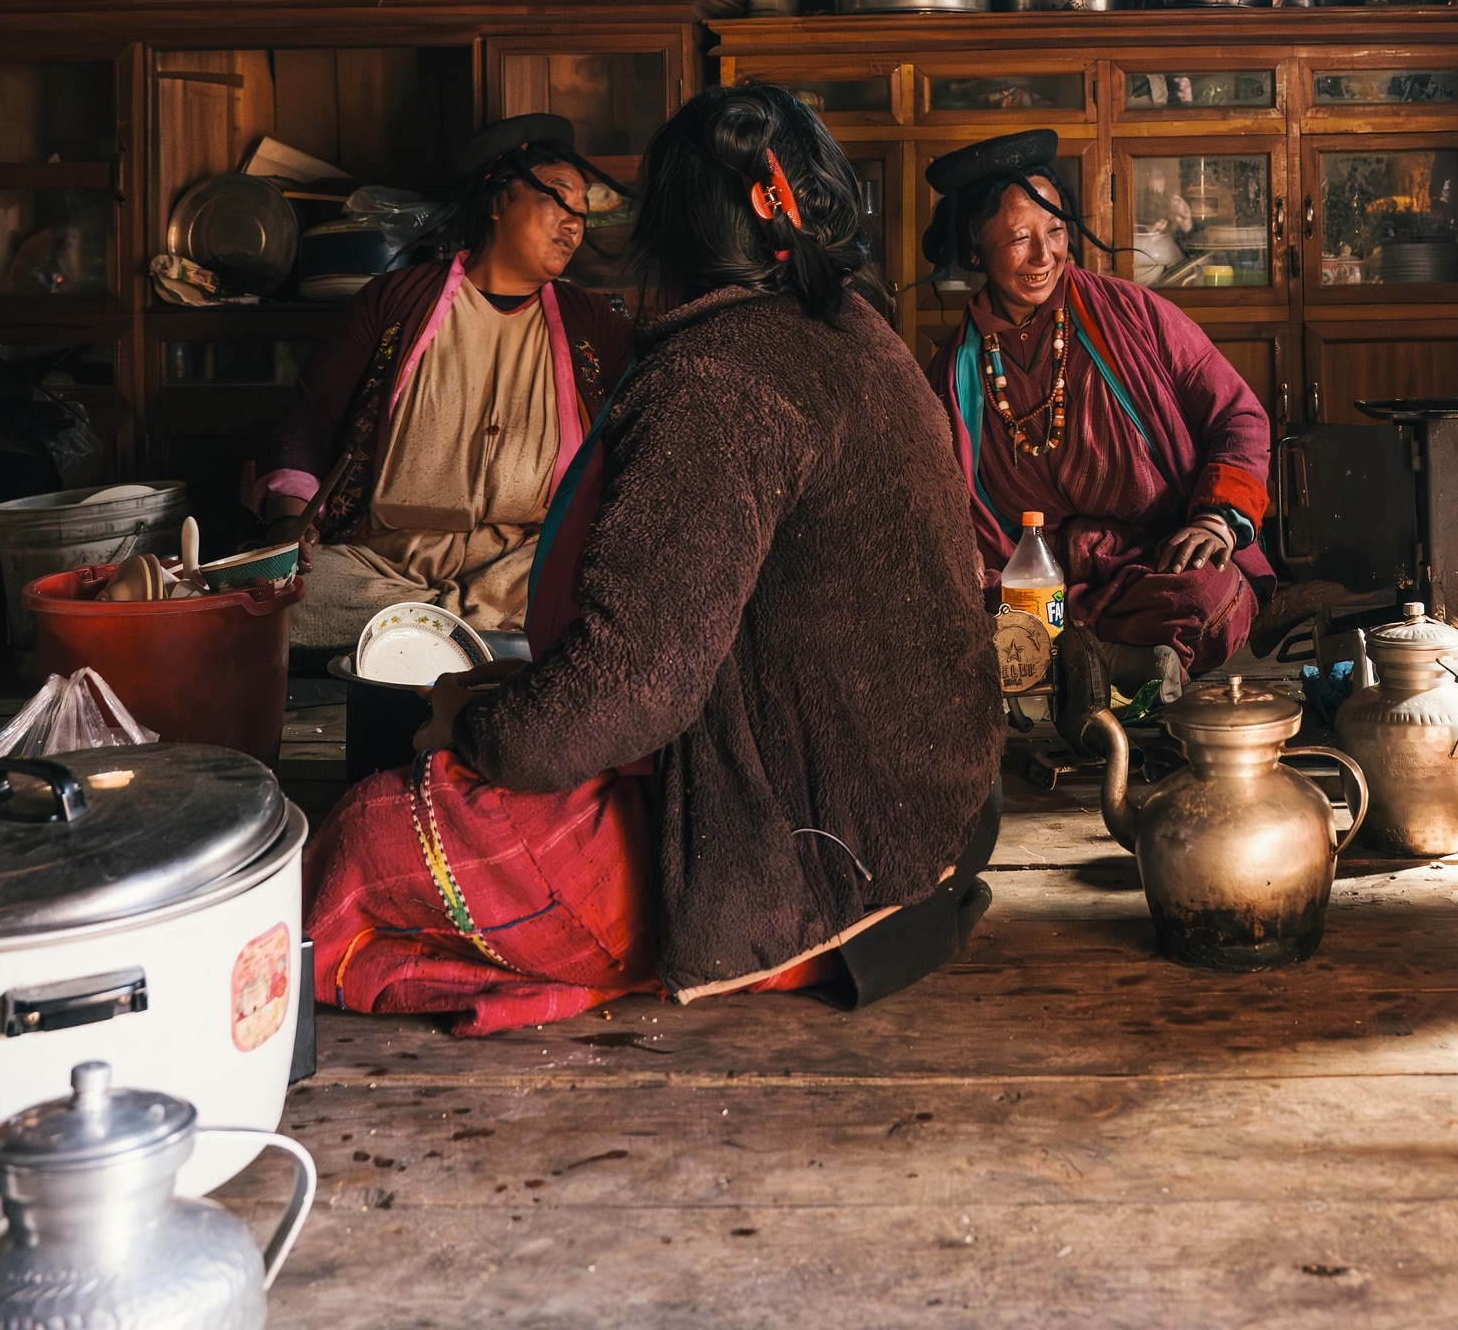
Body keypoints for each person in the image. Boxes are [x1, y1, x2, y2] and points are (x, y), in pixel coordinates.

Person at [303, 84, 1004, 1032]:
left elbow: (637, 690)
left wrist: (469, 733)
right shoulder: (856, 332)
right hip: (938, 822)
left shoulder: (716, 378)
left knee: (366, 839)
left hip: (817, 871)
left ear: (675, 225)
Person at [255, 114, 632, 646]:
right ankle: (457, 628)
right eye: (557, 198)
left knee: (597, 585)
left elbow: (655, 405)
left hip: (520, 568)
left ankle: (420, 629)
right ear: (498, 202)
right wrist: (286, 530)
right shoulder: (395, 300)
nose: (574, 224)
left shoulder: (588, 322)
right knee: (276, 605)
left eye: (583, 212)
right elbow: (306, 416)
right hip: (382, 565)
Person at [920, 130, 1272, 698]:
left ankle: (1074, 662)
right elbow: (949, 513)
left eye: (1055, 231)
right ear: (974, 249)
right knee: (958, 607)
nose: (1044, 256)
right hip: (1038, 579)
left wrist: (1213, 520)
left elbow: (1238, 417)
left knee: (1212, 596)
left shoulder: (1132, 314)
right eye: (1018, 238)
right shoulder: (950, 377)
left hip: (1156, 560)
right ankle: (1117, 662)